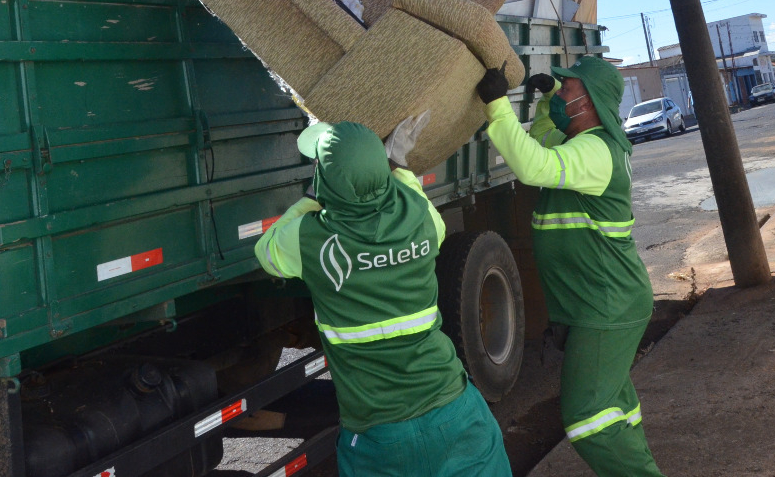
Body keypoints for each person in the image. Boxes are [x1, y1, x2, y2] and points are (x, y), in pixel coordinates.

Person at [253, 115, 510, 477]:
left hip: (379, 437)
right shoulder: (420, 218)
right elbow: (421, 211)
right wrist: (398, 165)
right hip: (457, 413)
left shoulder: (308, 239)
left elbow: (266, 252)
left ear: (326, 179)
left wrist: (313, 197)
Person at [477, 57, 665, 477]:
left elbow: (531, 166)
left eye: (567, 91)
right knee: (615, 405)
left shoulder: (597, 151)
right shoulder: (584, 142)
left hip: (608, 306)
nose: (561, 96)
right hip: (602, 302)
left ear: (591, 101)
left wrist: (497, 106)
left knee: (587, 419)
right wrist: (547, 102)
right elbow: (543, 144)